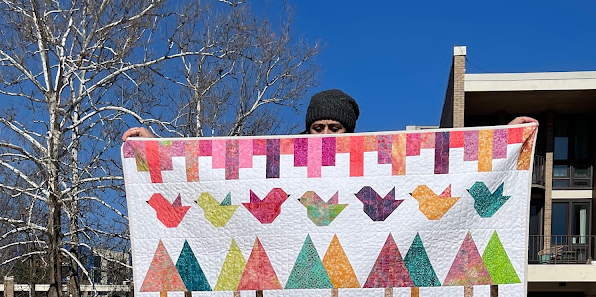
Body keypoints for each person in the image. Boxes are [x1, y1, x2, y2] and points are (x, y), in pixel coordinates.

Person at [122, 88, 537, 140]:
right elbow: (215, 173)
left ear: (348, 130)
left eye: (334, 127)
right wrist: (157, 150)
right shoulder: (280, 162)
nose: (324, 134)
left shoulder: (375, 160)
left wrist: (505, 138)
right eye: (317, 126)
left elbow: (438, 163)